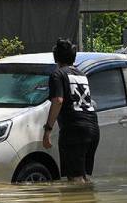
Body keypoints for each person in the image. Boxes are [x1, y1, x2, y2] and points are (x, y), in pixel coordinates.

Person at [42, 39, 100, 183]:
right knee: (84, 177)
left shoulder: (58, 74)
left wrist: (48, 129)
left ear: (56, 57)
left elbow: (58, 101)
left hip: (74, 131)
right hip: (93, 128)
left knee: (74, 179)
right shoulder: (82, 75)